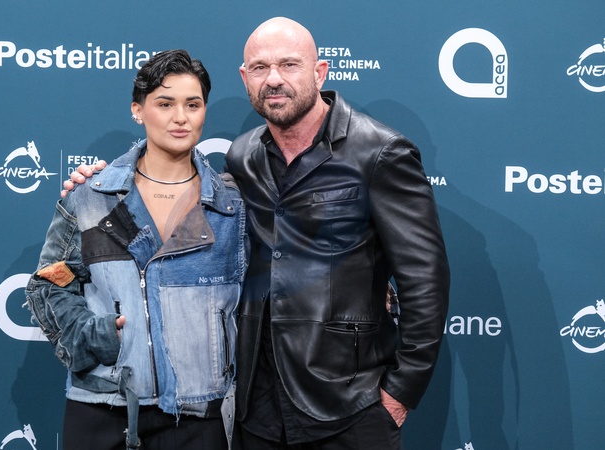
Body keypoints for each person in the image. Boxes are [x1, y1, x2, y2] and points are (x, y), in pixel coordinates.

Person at [68, 17, 449, 449]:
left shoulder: (379, 152)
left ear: (320, 72)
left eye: (289, 65)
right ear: (244, 77)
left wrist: (400, 394)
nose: (274, 79)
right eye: (260, 68)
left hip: (348, 403)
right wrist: (99, 183)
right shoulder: (243, 155)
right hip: (258, 404)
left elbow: (425, 282)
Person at [26, 49, 247, 450]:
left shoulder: (231, 206)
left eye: (192, 104)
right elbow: (49, 284)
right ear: (137, 110)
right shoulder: (92, 197)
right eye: (165, 103)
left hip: (200, 414)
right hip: (102, 409)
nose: (180, 117)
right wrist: (97, 336)